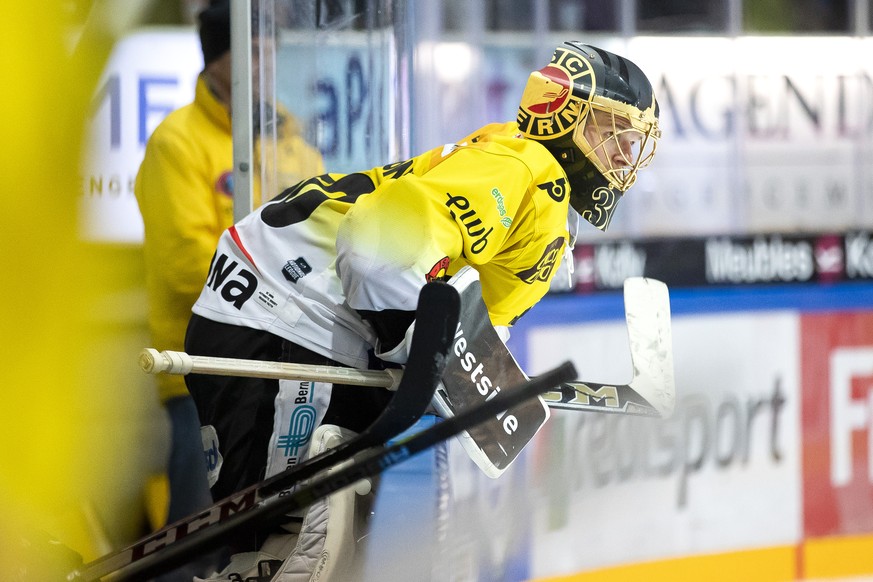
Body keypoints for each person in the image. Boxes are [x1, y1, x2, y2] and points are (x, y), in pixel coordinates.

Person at [183, 40, 660, 578]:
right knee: (292, 556)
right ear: (564, 116)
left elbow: (451, 310)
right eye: (611, 130)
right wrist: (429, 352)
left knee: (325, 551)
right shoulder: (523, 170)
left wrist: (463, 370)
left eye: (633, 141)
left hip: (297, 319)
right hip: (283, 314)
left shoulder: (533, 189)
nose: (624, 156)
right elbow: (374, 249)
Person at [134, 0, 324, 578]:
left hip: (282, 366)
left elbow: (326, 223)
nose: (264, 59)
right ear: (219, 58)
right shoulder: (178, 143)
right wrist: (280, 290)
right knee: (200, 527)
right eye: (251, 47)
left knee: (271, 530)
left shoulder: (288, 138)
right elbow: (182, 262)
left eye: (270, 48)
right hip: (202, 370)